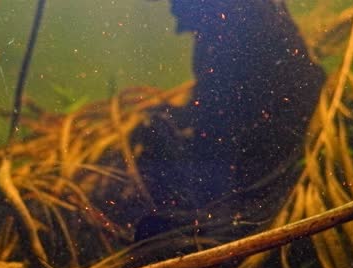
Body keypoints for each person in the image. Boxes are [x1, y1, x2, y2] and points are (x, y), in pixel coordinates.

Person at [132, 0, 324, 243]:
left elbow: (223, 117)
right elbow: (212, 105)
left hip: (264, 173)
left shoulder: (241, 26)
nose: (173, 11)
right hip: (248, 163)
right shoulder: (219, 33)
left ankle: (209, 224)